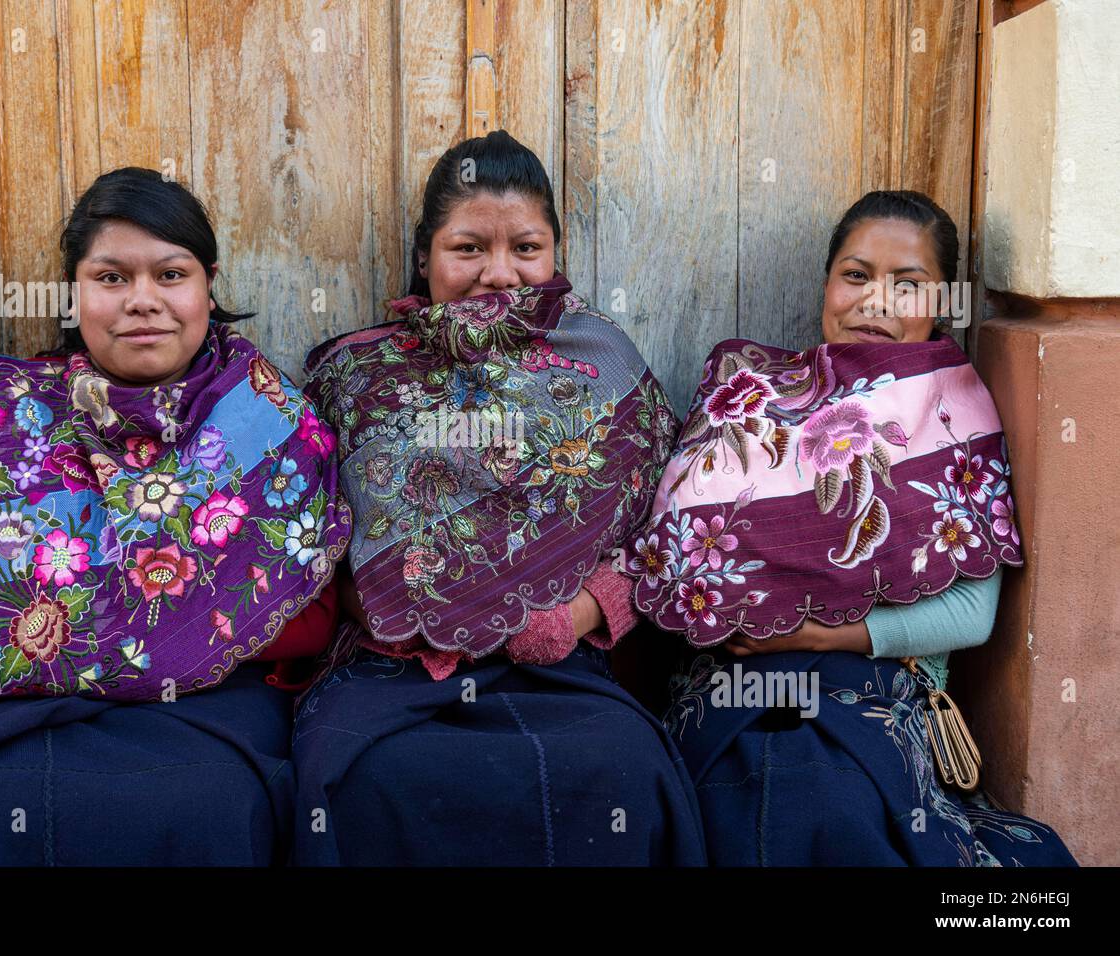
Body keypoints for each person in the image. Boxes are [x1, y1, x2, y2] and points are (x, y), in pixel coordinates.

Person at [0, 167, 349, 865]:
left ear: (208, 283)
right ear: (74, 293)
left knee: (208, 805)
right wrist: (148, 628)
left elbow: (312, 615)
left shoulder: (265, 416)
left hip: (215, 705)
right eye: (112, 278)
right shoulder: (8, 422)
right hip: (41, 712)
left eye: (171, 275)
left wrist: (129, 635)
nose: (143, 302)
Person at [291, 131, 707, 866]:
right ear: (425, 258)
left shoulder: (610, 367)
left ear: (554, 255)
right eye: (469, 248)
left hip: (551, 665)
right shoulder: (353, 373)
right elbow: (313, 539)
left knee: (617, 771)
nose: (499, 273)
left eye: (525, 247)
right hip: (393, 665)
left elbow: (665, 533)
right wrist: (390, 609)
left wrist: (582, 611)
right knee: (369, 777)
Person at [626, 190, 1077, 865]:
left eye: (908, 284)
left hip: (875, 686)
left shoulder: (954, 419)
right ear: (828, 284)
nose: (874, 301)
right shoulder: (746, 395)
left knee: (829, 803)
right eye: (857, 275)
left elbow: (970, 615)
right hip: (730, 687)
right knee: (734, 791)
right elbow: (671, 565)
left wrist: (815, 634)